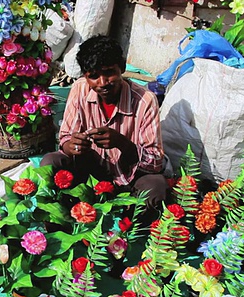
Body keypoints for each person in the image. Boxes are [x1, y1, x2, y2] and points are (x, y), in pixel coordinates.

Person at [41, 35, 168, 209]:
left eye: (109, 72)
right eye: (93, 76)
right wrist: (73, 146)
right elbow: (65, 139)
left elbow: (156, 161)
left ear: (121, 68)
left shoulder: (145, 100)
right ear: (86, 77)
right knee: (50, 162)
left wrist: (122, 143)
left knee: (156, 187)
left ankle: (132, 226)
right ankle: (63, 215)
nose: (103, 83)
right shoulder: (80, 89)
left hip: (129, 178)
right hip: (90, 173)